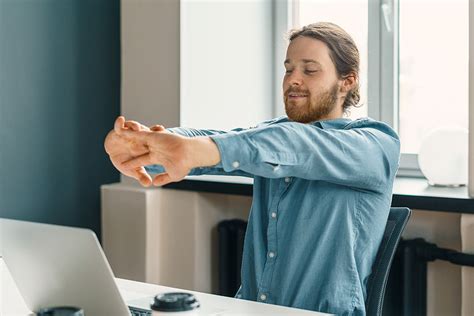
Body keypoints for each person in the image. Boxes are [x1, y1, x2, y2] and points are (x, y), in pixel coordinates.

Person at [104, 22, 400, 316]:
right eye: (288, 69)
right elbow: (225, 143)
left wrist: (196, 149)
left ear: (347, 81)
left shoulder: (375, 145)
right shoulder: (270, 137)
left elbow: (295, 145)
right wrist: (144, 146)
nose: (293, 80)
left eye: (309, 70)